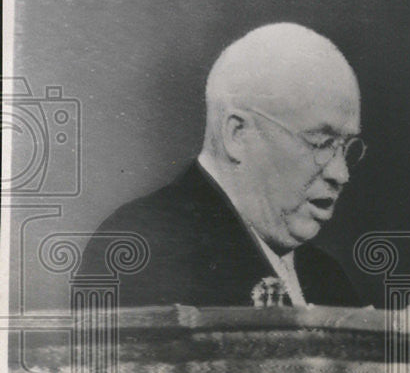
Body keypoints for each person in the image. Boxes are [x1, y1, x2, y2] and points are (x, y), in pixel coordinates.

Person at [83, 22, 364, 307]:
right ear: (238, 135)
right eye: (320, 142)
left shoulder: (327, 276)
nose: (341, 173)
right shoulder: (140, 247)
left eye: (346, 148)